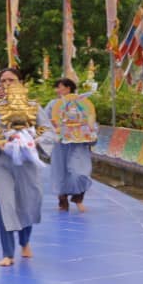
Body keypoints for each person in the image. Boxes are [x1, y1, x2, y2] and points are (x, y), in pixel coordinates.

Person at [0, 67, 51, 266]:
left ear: (21, 82)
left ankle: (25, 241)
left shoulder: (33, 106)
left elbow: (48, 132)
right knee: (6, 204)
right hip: (2, 162)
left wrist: (33, 142)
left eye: (11, 80)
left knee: (29, 201)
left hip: (27, 162)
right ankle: (8, 253)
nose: (6, 84)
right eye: (3, 81)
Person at [43, 77, 96, 212]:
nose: (57, 90)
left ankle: (78, 198)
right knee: (61, 172)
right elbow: (44, 122)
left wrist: (91, 131)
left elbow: (90, 119)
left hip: (79, 144)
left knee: (81, 172)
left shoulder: (82, 102)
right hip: (61, 145)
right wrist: (52, 128)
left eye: (60, 87)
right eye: (57, 87)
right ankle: (63, 200)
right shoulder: (53, 104)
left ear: (68, 88)